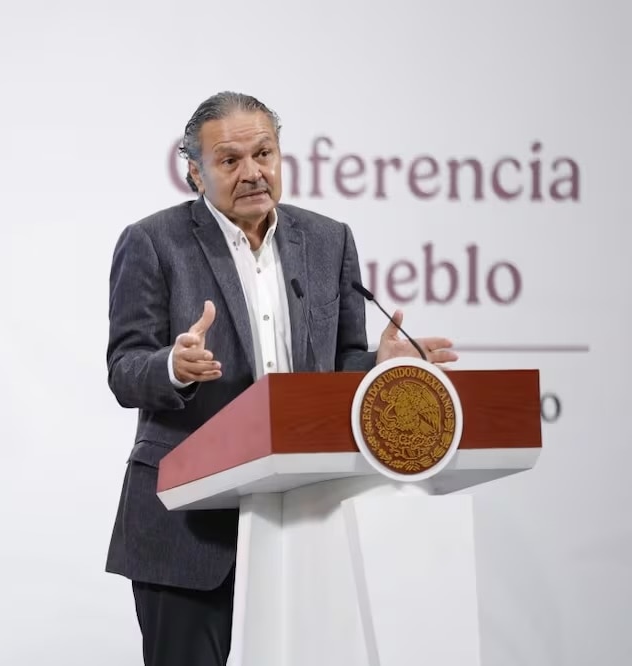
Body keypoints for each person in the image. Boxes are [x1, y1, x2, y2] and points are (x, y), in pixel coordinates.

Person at [103, 91, 459, 666]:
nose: (252, 173)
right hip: (189, 521)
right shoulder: (152, 241)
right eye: (229, 160)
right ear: (194, 170)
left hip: (302, 510)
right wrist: (174, 364)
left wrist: (378, 367)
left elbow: (340, 363)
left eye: (264, 153)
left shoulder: (327, 240)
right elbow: (124, 368)